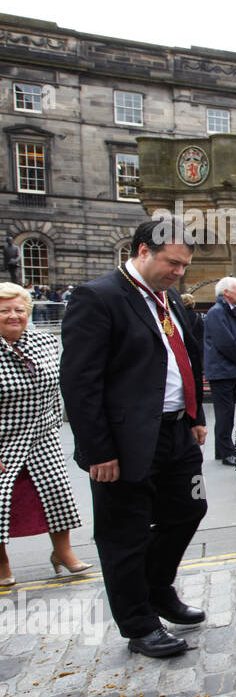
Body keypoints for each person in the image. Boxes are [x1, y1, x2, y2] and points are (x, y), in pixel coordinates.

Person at [60, 216, 209, 658]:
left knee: (190, 508)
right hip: (123, 442)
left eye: (184, 265)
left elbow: (188, 357)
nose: (179, 273)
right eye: (172, 263)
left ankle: (157, 589)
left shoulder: (172, 301)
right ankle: (139, 624)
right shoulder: (98, 298)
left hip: (176, 431)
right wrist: (96, 450)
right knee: (124, 533)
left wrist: (195, 414)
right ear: (143, 251)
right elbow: (80, 383)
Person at [0, 282, 89, 586]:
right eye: (5, 311)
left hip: (42, 433)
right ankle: (1, 563)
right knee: (1, 503)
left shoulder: (45, 342)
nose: (14, 315)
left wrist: (54, 424)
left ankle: (62, 553)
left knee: (56, 494)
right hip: (4, 440)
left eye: (19, 310)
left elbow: (58, 387)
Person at [203, 276, 236, 466]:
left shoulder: (231, 312)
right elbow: (225, 342)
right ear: (226, 292)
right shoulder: (216, 312)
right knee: (224, 413)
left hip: (228, 369)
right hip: (222, 371)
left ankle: (223, 450)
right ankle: (227, 451)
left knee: (227, 412)